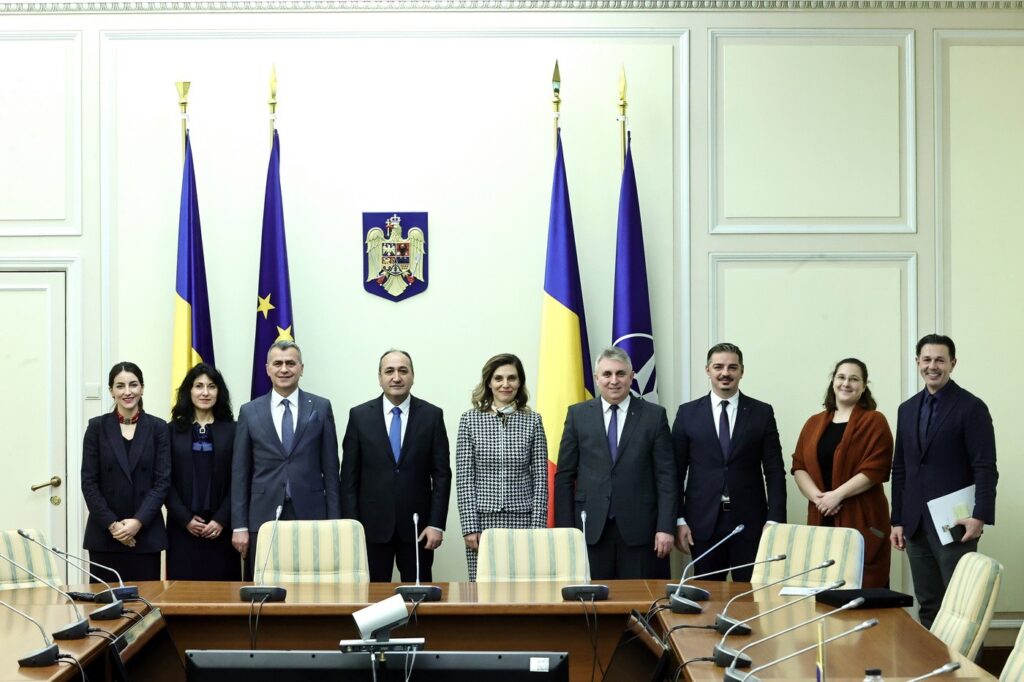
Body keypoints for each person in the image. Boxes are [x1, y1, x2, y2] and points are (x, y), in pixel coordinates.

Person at [890, 334, 998, 628]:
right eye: (926, 359)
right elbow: (900, 469)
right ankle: (934, 660)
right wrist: (897, 520)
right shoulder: (906, 409)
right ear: (917, 362)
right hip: (914, 526)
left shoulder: (971, 407)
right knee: (929, 605)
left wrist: (980, 516)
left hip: (956, 525)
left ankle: (965, 660)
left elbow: (985, 467)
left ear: (953, 363)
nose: (932, 366)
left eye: (940, 360)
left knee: (963, 608)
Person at [554, 347, 676, 579]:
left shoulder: (654, 416)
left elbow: (666, 477)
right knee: (592, 599)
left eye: (621, 373)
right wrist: (566, 532)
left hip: (641, 531)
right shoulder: (578, 415)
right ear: (596, 378)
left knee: (640, 599)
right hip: (590, 529)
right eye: (607, 374)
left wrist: (665, 527)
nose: (614, 380)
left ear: (632, 377)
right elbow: (564, 477)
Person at [672, 343, 786, 582]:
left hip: (751, 523)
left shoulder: (762, 413)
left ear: (742, 371)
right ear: (708, 370)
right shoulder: (687, 413)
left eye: (732, 367)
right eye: (718, 367)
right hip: (702, 524)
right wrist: (679, 519)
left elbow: (775, 471)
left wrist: (775, 520)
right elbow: (675, 473)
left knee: (751, 595)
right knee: (706, 596)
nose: (725, 373)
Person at [231, 340, 341, 578]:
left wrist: (334, 523)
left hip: (312, 515)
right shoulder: (249, 411)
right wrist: (240, 525)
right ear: (267, 369)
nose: (284, 369)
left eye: (290, 363)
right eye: (278, 363)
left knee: (311, 584)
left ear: (301, 368)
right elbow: (240, 473)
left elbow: (332, 471)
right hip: (262, 516)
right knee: (263, 585)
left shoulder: (321, 407)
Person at [341, 349, 452, 582]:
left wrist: (436, 524)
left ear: (412, 376)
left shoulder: (432, 416)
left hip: (418, 528)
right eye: (389, 371)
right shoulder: (359, 416)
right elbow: (349, 478)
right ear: (379, 377)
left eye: (403, 370)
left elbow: (442, 475)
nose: (396, 377)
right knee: (371, 597)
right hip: (370, 529)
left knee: (418, 595)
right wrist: (352, 527)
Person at [791, 358, 894, 588]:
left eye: (854, 379)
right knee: (823, 590)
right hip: (821, 517)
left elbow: (876, 468)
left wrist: (837, 496)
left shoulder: (875, 421)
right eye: (841, 377)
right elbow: (799, 466)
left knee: (862, 591)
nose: (846, 383)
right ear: (833, 381)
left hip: (861, 520)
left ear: (864, 386)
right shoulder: (813, 423)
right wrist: (819, 499)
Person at [456, 353, 548, 581]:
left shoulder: (533, 420)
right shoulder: (469, 420)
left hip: (524, 521)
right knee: (483, 588)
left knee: (524, 588)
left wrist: (537, 528)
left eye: (512, 378)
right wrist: (469, 527)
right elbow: (464, 479)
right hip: (482, 522)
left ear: (520, 382)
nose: (505, 384)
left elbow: (541, 479)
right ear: (489, 382)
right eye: (498, 378)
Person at [81, 362, 170, 583]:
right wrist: (114, 525)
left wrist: (137, 522)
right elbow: (89, 482)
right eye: (120, 386)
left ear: (142, 388)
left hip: (145, 535)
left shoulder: (158, 428)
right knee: (105, 600)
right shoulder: (96, 427)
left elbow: (162, 482)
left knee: (145, 601)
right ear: (111, 391)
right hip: (105, 535)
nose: (127, 391)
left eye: (133, 384)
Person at [166, 363, 240, 580]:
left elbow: (240, 479)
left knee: (223, 594)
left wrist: (222, 519)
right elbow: (163, 480)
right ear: (189, 391)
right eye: (199, 386)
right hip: (182, 530)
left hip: (222, 530)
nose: (205, 392)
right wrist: (185, 519)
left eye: (211, 386)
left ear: (219, 392)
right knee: (182, 593)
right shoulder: (170, 431)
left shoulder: (234, 430)